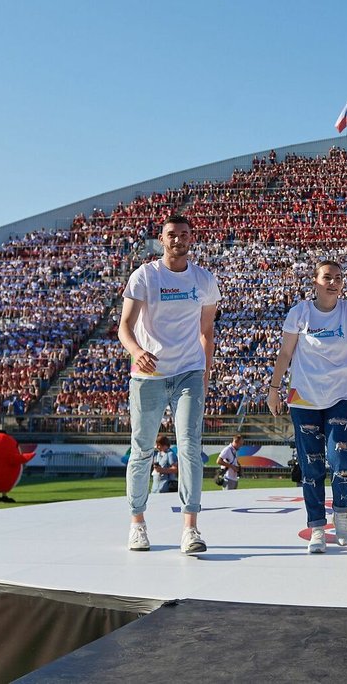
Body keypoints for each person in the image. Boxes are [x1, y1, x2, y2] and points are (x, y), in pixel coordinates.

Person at [267, 260, 347, 554]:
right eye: (326, 277)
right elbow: (285, 353)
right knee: (311, 465)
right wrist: (273, 389)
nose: (332, 282)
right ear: (315, 281)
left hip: (342, 396)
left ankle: (342, 512)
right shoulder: (300, 313)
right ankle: (318, 527)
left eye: (337, 278)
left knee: (341, 459)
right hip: (305, 397)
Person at [119, 214, 220, 554]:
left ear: (192, 239)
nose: (178, 239)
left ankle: (190, 528)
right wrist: (136, 352)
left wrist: (206, 370)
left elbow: (207, 332)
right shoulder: (145, 275)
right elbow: (124, 326)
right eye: (171, 235)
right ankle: (137, 523)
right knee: (143, 449)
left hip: (189, 371)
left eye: (184, 234)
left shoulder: (204, 280)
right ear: (162, 240)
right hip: (149, 374)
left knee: (190, 446)